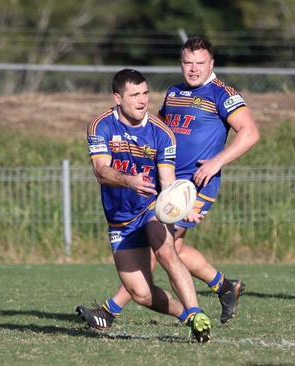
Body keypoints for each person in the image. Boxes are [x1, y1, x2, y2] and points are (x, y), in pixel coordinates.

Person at [77, 37, 259, 328]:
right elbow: (157, 132)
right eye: (188, 62)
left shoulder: (222, 93)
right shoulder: (174, 92)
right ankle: (224, 286)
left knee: (159, 246)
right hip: (167, 181)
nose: (194, 69)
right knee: (175, 248)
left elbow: (250, 133)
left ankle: (109, 312)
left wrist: (216, 162)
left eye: (200, 63)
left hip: (195, 184)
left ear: (211, 63)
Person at [81, 68, 211, 342]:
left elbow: (168, 181)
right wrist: (129, 181)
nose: (142, 100)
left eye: (145, 93)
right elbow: (101, 171)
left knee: (165, 249)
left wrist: (184, 206)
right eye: (134, 95)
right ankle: (186, 317)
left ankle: (197, 312)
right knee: (140, 293)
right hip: (120, 220)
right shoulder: (101, 126)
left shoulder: (161, 132)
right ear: (118, 98)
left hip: (150, 209)